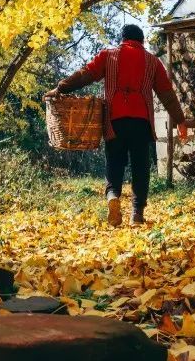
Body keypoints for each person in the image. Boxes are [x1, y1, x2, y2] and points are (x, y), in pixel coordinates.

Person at [45, 24, 187, 226]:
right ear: (142, 41)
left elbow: (86, 74)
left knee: (114, 161)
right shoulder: (153, 61)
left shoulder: (108, 56)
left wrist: (60, 88)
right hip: (142, 121)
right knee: (141, 166)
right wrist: (180, 120)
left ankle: (113, 195)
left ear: (122, 39)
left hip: (114, 119)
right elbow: (167, 94)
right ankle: (137, 214)